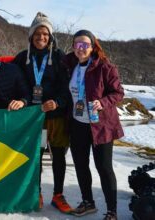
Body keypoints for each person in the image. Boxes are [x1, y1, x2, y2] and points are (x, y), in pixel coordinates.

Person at [12, 12, 71, 213]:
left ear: (50, 36)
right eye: (37, 33)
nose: (41, 37)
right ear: (31, 36)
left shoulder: (59, 57)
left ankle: (58, 194)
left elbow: (68, 86)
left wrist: (59, 102)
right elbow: (14, 82)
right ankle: (36, 192)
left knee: (59, 157)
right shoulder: (22, 58)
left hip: (56, 117)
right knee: (35, 155)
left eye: (45, 34)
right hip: (34, 118)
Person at [63, 30, 124, 220]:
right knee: (81, 165)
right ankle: (88, 202)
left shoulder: (105, 67)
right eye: (77, 45)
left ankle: (112, 211)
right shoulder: (69, 64)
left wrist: (103, 102)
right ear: (73, 47)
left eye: (85, 45)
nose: (81, 49)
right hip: (77, 123)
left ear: (92, 46)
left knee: (104, 168)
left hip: (101, 125)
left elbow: (118, 93)